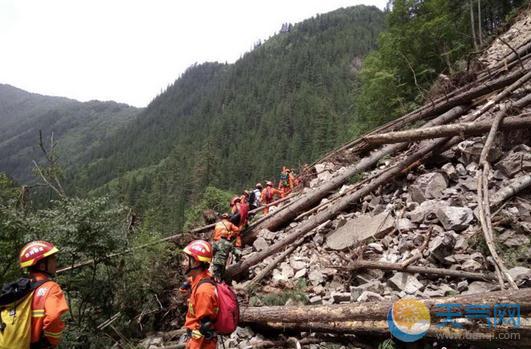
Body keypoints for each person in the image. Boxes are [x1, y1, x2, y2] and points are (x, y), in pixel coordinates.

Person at [18, 240, 69, 348]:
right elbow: (53, 318)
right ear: (42, 266)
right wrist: (51, 342)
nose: (56, 262)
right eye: (53, 259)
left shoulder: (19, 288)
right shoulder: (51, 287)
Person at [181, 240, 219, 349]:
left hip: (202, 344)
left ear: (196, 263)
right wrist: (187, 284)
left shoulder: (203, 291)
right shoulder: (202, 277)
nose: (183, 263)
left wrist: (192, 346)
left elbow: (204, 326)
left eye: (186, 259)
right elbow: (196, 279)